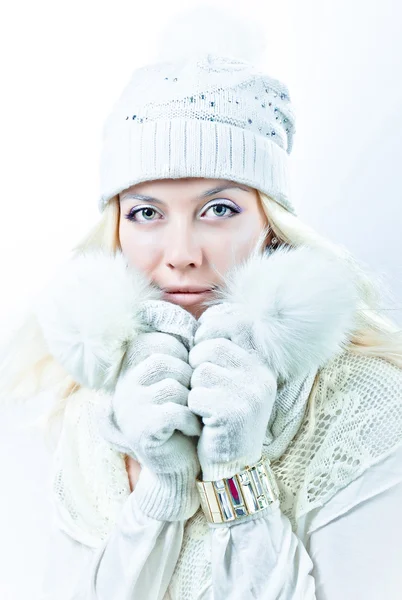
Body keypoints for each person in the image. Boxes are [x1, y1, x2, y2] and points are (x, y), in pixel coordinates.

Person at [1, 13, 402, 600]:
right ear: (116, 228)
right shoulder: (89, 407)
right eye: (146, 212)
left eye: (218, 209)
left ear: (269, 224)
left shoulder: (363, 403)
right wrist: (160, 488)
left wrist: (235, 473)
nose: (182, 253)